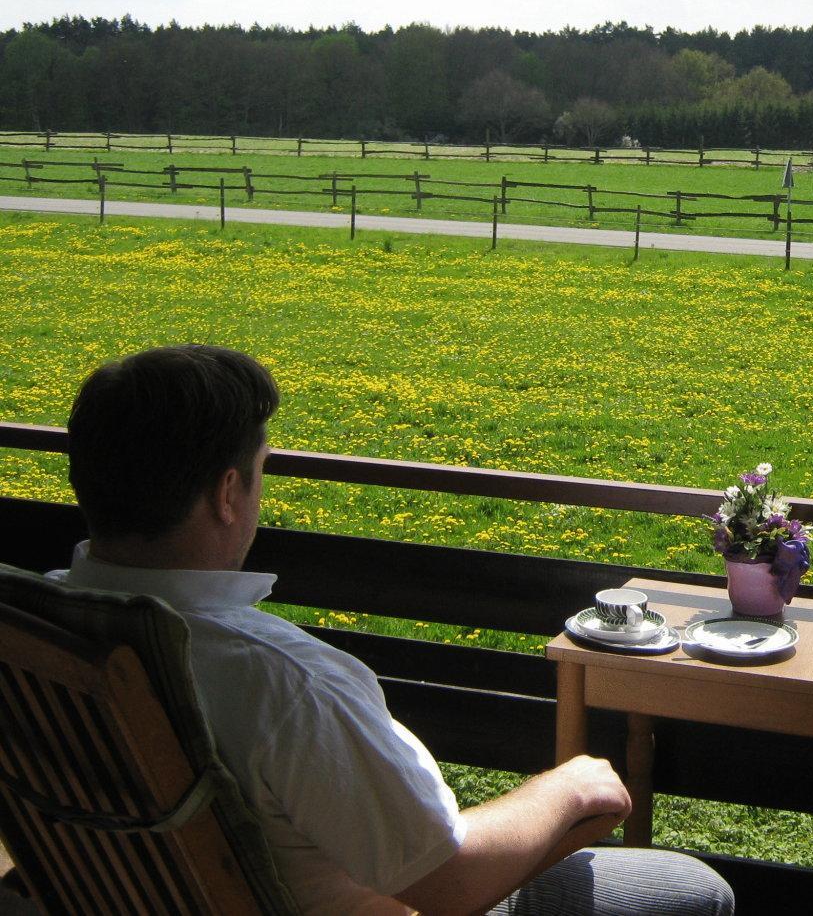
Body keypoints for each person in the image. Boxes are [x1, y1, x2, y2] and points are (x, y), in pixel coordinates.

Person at [53, 345, 734, 916]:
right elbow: (446, 880)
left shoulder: (35, 620)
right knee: (695, 891)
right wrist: (569, 788)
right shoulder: (280, 681)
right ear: (227, 494)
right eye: (261, 472)